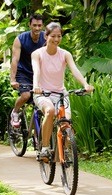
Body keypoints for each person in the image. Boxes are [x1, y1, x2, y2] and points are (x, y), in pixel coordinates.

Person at [31, 22, 94, 160]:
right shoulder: (37, 54)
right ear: (46, 36)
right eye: (53, 36)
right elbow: (36, 71)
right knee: (50, 111)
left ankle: (64, 150)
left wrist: (85, 84)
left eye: (59, 36)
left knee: (66, 122)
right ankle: (45, 148)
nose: (56, 39)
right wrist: (36, 86)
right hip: (43, 93)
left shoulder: (65, 54)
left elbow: (74, 71)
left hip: (60, 93)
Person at [10, 14, 45, 128]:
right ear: (29, 25)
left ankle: (39, 136)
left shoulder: (46, 38)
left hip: (39, 73)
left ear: (42, 25)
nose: (37, 28)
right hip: (23, 73)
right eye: (34, 25)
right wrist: (13, 79)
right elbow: (15, 60)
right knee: (25, 95)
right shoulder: (20, 39)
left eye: (39, 25)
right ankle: (15, 112)